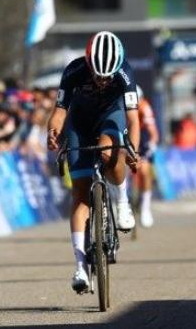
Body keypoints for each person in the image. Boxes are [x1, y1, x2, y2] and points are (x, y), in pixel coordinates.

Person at [47, 30, 140, 293]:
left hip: (111, 118)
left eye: (107, 76)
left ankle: (122, 202)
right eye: (98, 75)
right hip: (80, 122)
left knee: (112, 150)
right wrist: (52, 133)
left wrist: (133, 148)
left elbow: (133, 119)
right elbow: (59, 112)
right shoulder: (73, 70)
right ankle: (80, 267)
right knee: (79, 194)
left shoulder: (124, 73)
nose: (102, 80)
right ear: (89, 63)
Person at [135, 85, 159, 228]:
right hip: (125, 134)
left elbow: (153, 132)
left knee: (145, 170)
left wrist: (152, 145)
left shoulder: (144, 107)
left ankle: (145, 207)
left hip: (142, 137)